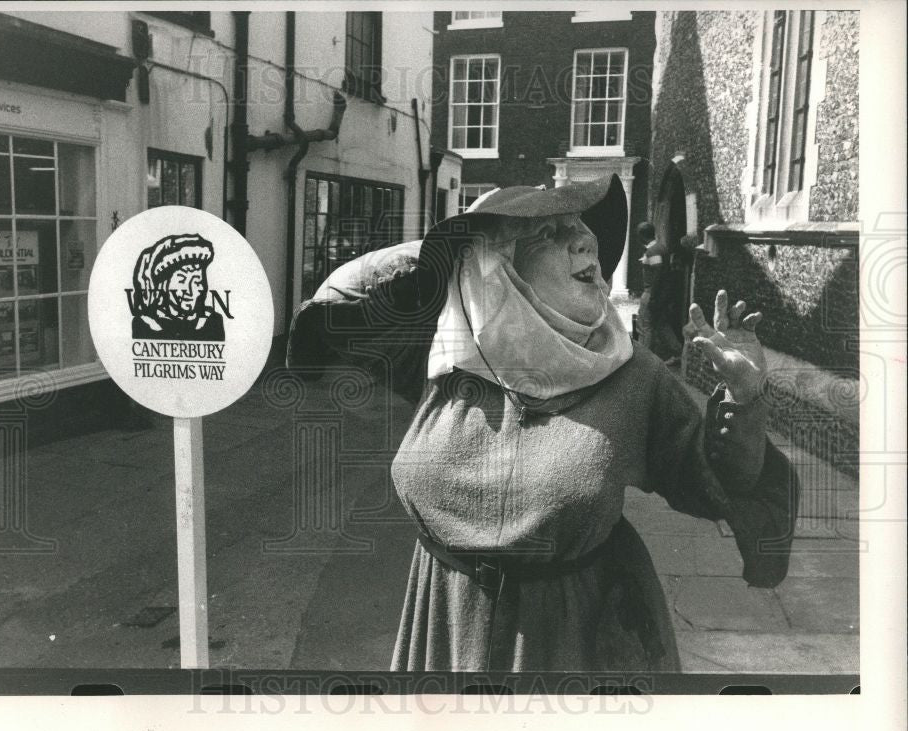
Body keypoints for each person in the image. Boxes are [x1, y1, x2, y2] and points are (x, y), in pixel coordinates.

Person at [287, 175, 795, 672]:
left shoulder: (632, 374)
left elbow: (720, 484)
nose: (586, 240)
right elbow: (345, 299)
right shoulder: (447, 359)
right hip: (444, 625)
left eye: (582, 225)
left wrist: (742, 399)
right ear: (500, 267)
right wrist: (455, 250)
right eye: (552, 232)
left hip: (572, 642)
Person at [635, 221, 682, 365]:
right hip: (661, 294)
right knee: (662, 324)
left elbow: (657, 270)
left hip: (651, 293)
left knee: (644, 326)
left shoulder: (653, 250)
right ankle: (678, 352)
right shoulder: (660, 247)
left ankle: (643, 360)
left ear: (642, 236)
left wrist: (653, 296)